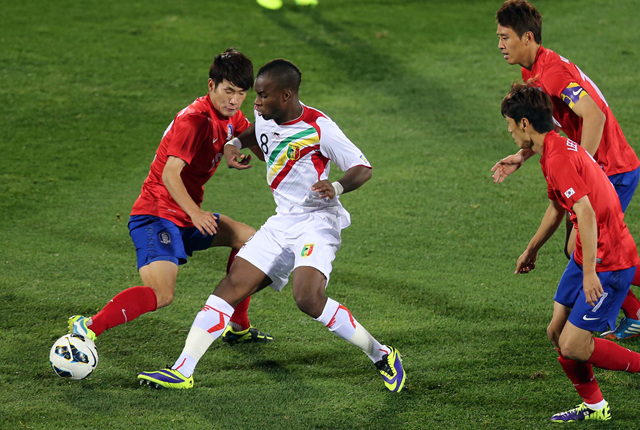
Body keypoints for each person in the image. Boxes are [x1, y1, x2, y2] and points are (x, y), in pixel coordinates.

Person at [137, 59, 406, 393]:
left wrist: (335, 187)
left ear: (286, 95)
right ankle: (182, 370)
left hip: (317, 223)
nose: (256, 103)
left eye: (263, 96)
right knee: (230, 287)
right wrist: (232, 147)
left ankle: (382, 355)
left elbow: (362, 167)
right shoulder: (266, 119)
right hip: (281, 224)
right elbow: (245, 134)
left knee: (307, 299)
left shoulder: (319, 126)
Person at [68, 48, 273, 350]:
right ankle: (88, 326)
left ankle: (238, 326)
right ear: (211, 86)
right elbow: (169, 174)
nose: (234, 100)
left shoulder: (231, 117)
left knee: (250, 242)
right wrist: (195, 213)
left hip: (186, 216)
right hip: (156, 215)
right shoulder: (194, 120)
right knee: (162, 294)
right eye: (228, 91)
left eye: (241, 93)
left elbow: (263, 147)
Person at [491, 0, 640, 340]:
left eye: (505, 37)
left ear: (527, 37)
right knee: (580, 248)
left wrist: (581, 166)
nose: (499, 45)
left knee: (592, 248)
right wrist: (522, 154)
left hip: (613, 169)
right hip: (601, 168)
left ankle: (630, 311)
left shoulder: (553, 72)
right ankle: (632, 310)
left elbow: (594, 116)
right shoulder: (534, 70)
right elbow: (548, 127)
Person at [501, 82, 640, 422]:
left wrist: (590, 272)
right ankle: (595, 407)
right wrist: (531, 250)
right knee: (556, 334)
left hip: (608, 261)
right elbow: (556, 208)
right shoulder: (552, 149)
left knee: (574, 345)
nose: (507, 131)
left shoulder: (560, 156)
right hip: (587, 254)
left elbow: (587, 213)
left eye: (508, 123)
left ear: (524, 123)